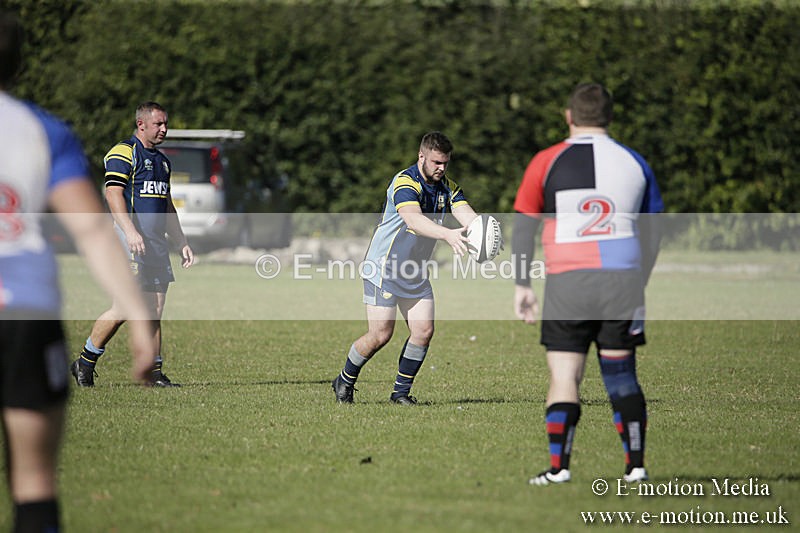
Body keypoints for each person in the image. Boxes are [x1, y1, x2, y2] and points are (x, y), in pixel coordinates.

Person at [0, 11, 156, 532]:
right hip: (24, 312)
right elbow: (91, 229)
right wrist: (139, 320)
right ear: (19, 64)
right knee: (33, 481)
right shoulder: (42, 131)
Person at [511, 83, 663, 485]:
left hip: (567, 281)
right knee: (621, 375)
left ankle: (558, 469)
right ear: (610, 117)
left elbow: (523, 226)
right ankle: (636, 467)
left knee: (564, 376)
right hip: (621, 280)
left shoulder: (546, 160)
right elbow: (654, 231)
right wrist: (640, 278)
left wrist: (522, 283)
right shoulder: (634, 162)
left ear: (568, 117)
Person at [332, 131, 477, 405]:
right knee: (380, 335)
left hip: (414, 271)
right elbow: (413, 220)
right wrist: (448, 235)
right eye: (436, 162)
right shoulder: (405, 182)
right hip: (383, 268)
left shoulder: (448, 188)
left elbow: (468, 216)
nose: (441, 168)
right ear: (421, 156)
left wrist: (485, 233)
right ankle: (344, 379)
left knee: (423, 331)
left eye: (445, 163)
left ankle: (400, 394)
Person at [70, 102, 195, 388]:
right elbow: (113, 194)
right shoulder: (124, 152)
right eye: (158, 124)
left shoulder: (163, 161)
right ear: (141, 124)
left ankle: (154, 374)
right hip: (130, 244)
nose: (164, 129)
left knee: (155, 309)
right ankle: (85, 361)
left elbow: (167, 206)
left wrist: (181, 242)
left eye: (165, 123)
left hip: (156, 247)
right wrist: (130, 232)